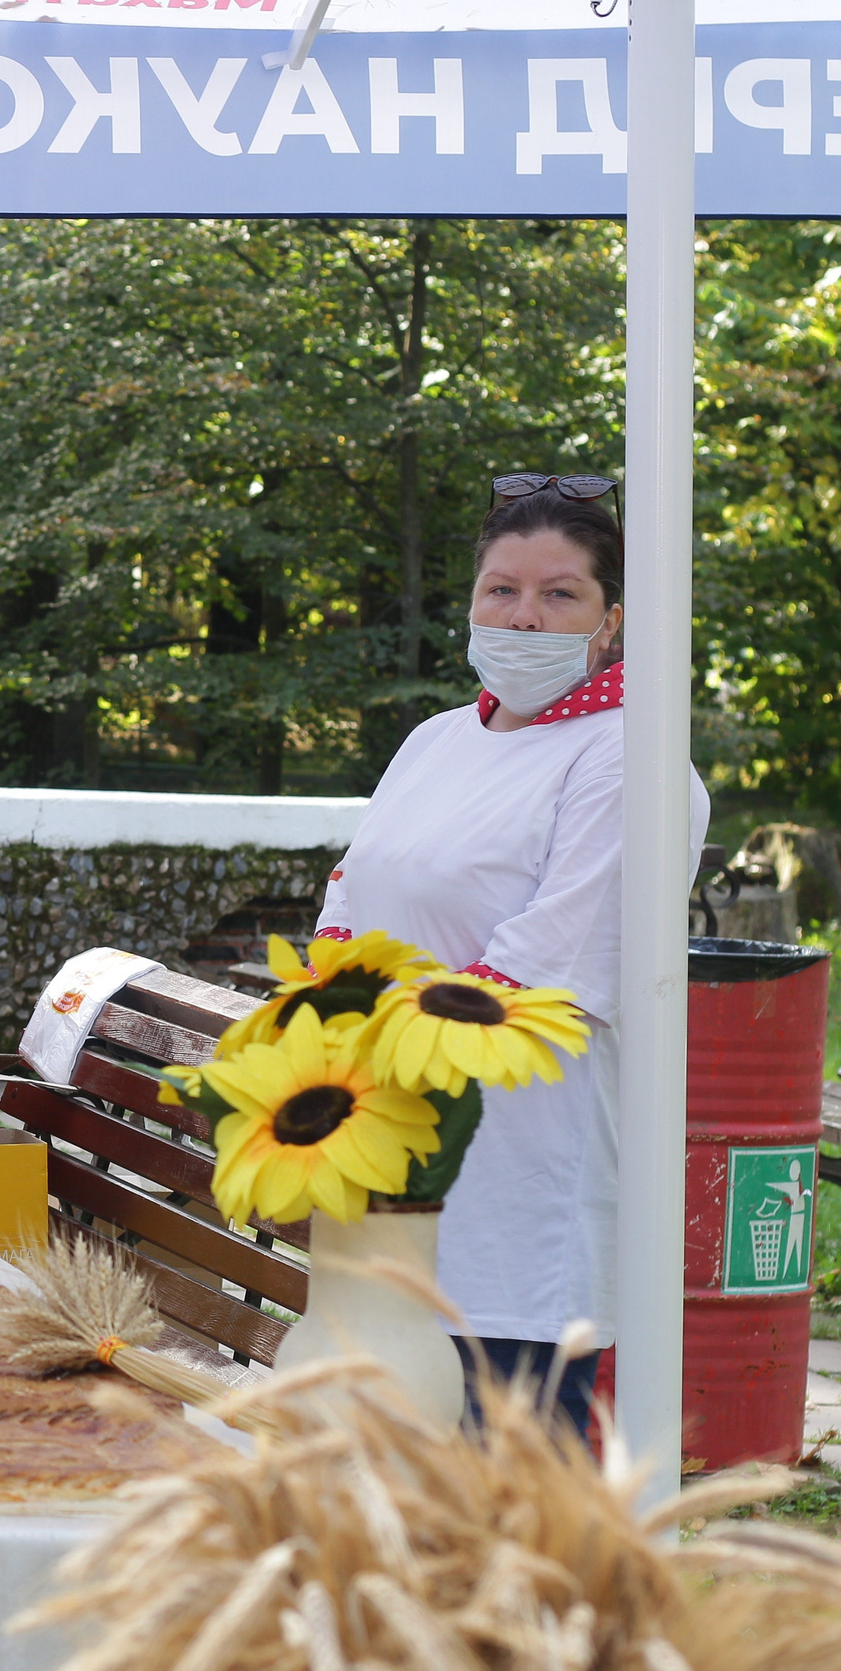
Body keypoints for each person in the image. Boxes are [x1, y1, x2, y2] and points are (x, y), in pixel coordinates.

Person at [309, 477, 707, 1438]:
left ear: (610, 621)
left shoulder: (632, 758)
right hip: (393, 1176)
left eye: (560, 593)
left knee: (509, 1501)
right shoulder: (435, 741)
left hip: (524, 1183)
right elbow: (348, 895)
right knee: (394, 1484)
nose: (525, 615)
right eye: (502, 589)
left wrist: (361, 1041)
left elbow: (540, 964)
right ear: (473, 603)